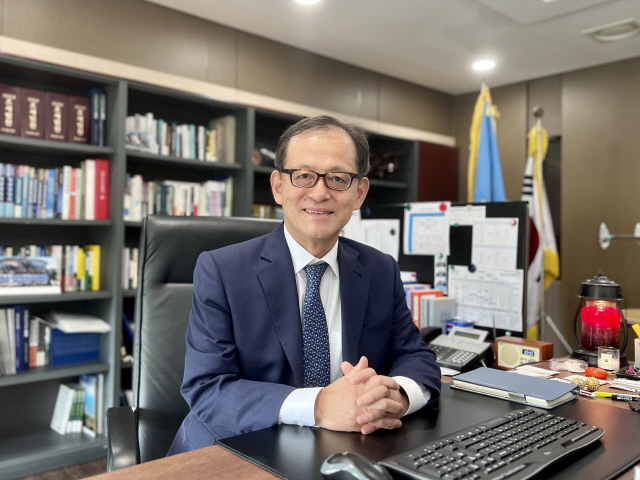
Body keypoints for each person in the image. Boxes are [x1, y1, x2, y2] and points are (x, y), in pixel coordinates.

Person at [168, 115, 441, 455]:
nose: (320, 192)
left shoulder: (380, 269)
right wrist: (319, 405)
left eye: (338, 178)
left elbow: (415, 355)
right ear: (278, 187)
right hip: (237, 449)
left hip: (344, 449)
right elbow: (208, 389)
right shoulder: (222, 270)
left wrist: (396, 396)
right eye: (303, 175)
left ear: (359, 193)